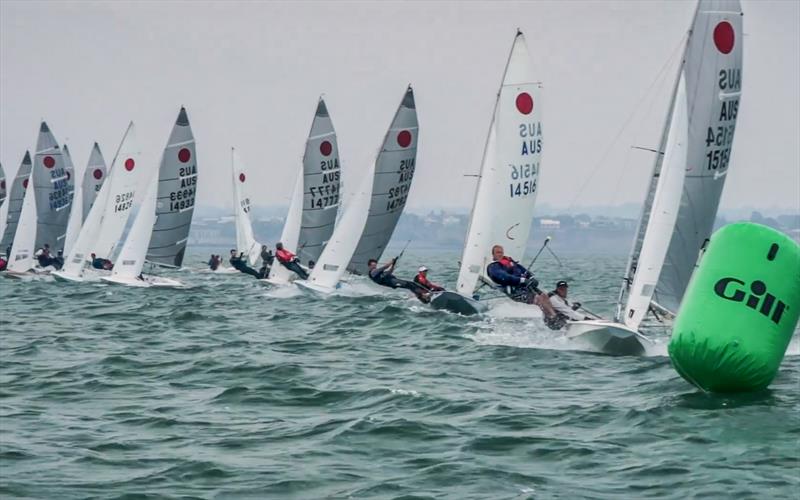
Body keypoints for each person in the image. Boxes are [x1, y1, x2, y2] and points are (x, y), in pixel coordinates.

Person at [486, 244, 558, 320]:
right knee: (539, 299)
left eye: (501, 252)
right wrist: (522, 280)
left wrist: (531, 278)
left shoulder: (511, 263)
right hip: (514, 292)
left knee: (545, 296)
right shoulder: (493, 267)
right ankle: (553, 318)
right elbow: (505, 277)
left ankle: (557, 313)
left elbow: (525, 271)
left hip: (525, 287)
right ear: (493, 254)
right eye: (497, 252)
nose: (500, 254)